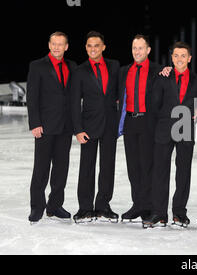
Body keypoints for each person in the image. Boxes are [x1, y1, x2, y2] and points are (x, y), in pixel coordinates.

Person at [143, 42, 197, 228]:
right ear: (172, 58)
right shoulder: (162, 77)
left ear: (189, 58)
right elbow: (154, 104)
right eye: (176, 55)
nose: (179, 59)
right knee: (160, 172)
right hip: (163, 129)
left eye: (183, 55)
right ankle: (159, 213)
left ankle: (179, 213)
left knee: (183, 172)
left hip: (185, 128)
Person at [27, 32, 77, 223]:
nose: (57, 47)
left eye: (60, 44)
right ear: (49, 45)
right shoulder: (37, 66)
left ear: (66, 46)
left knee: (61, 169)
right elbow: (32, 97)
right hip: (45, 127)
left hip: (65, 127)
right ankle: (37, 207)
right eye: (53, 44)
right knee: (41, 169)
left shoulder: (72, 66)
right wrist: (35, 123)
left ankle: (55, 205)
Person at [71, 31, 120, 223]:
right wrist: (78, 129)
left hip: (110, 125)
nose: (93, 49)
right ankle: (85, 208)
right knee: (87, 168)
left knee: (107, 167)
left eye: (96, 45)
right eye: (90, 46)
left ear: (103, 47)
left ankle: (103, 206)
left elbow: (121, 91)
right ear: (86, 48)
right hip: (88, 126)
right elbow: (74, 102)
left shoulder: (114, 66)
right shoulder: (80, 70)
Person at [117, 35, 163, 223]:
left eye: (141, 48)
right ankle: (138, 204)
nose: (137, 52)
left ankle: (149, 206)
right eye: (134, 48)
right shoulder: (123, 71)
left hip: (148, 123)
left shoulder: (158, 71)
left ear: (148, 50)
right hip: (130, 122)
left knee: (147, 166)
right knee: (133, 167)